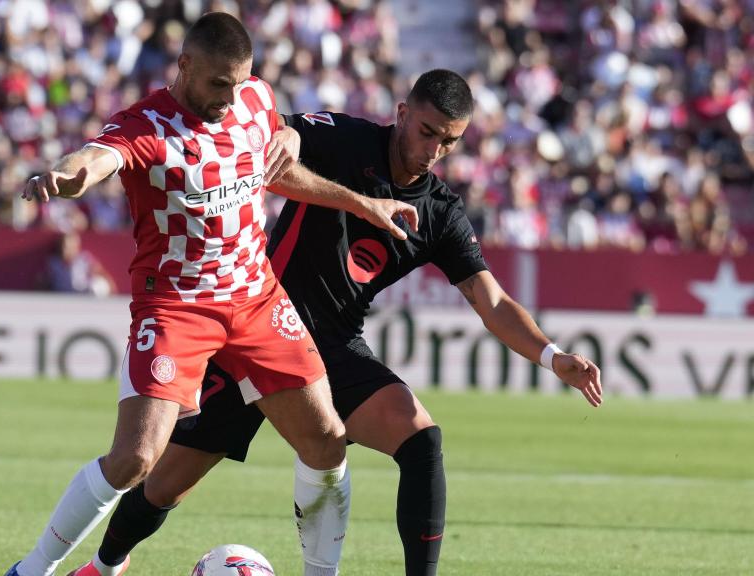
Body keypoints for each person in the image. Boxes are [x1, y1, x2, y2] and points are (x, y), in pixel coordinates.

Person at [76, 69, 604, 576]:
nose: (434, 150)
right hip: (255, 330)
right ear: (402, 114)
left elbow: (491, 301)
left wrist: (552, 355)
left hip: (334, 346)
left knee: (423, 441)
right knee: (163, 485)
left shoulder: (440, 213)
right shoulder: (347, 139)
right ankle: (103, 567)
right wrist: (287, 135)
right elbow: (279, 131)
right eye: (427, 132)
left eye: (449, 141)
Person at [5, 13, 420, 576]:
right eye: (218, 83)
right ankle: (32, 570)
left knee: (326, 439)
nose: (229, 97)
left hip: (255, 297)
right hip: (177, 306)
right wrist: (68, 172)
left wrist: (360, 203)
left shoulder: (254, 100)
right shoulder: (146, 125)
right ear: (184, 65)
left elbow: (272, 173)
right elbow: (99, 157)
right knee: (135, 459)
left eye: (239, 82)